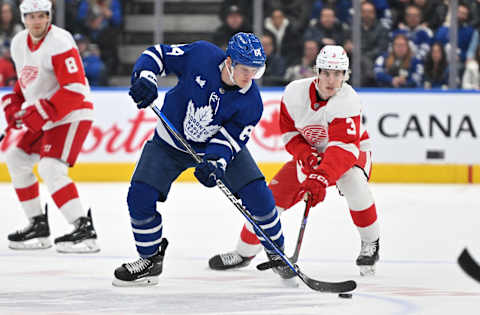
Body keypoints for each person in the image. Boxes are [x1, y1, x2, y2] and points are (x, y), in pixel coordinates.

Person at [112, 32, 293, 287]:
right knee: (139, 197)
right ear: (229, 62)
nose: (249, 77)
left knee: (259, 196)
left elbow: (228, 141)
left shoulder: (252, 103)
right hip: (169, 143)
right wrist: (146, 76)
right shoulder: (201, 55)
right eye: (245, 69)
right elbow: (158, 54)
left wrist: (216, 162)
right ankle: (150, 259)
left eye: (256, 70)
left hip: (212, 148)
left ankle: (277, 252)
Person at [209, 45, 381, 277]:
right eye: (327, 73)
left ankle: (370, 244)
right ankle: (244, 252)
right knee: (269, 201)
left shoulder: (347, 100)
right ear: (316, 72)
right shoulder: (294, 93)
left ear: (345, 75)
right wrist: (306, 156)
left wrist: (320, 176)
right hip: (311, 154)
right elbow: (290, 134)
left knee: (353, 181)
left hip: (352, 152)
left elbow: (342, 149)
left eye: (338, 73)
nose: (332, 80)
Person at [2, 0, 99, 253]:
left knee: (50, 167)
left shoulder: (60, 41)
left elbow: (75, 89)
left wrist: (40, 112)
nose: (37, 21)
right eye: (31, 16)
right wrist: (15, 104)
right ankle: (37, 224)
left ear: (49, 16)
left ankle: (84, 229)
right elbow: (27, 81)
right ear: (23, 18)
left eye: (41, 16)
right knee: (16, 157)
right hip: (46, 115)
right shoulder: (18, 43)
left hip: (72, 113)